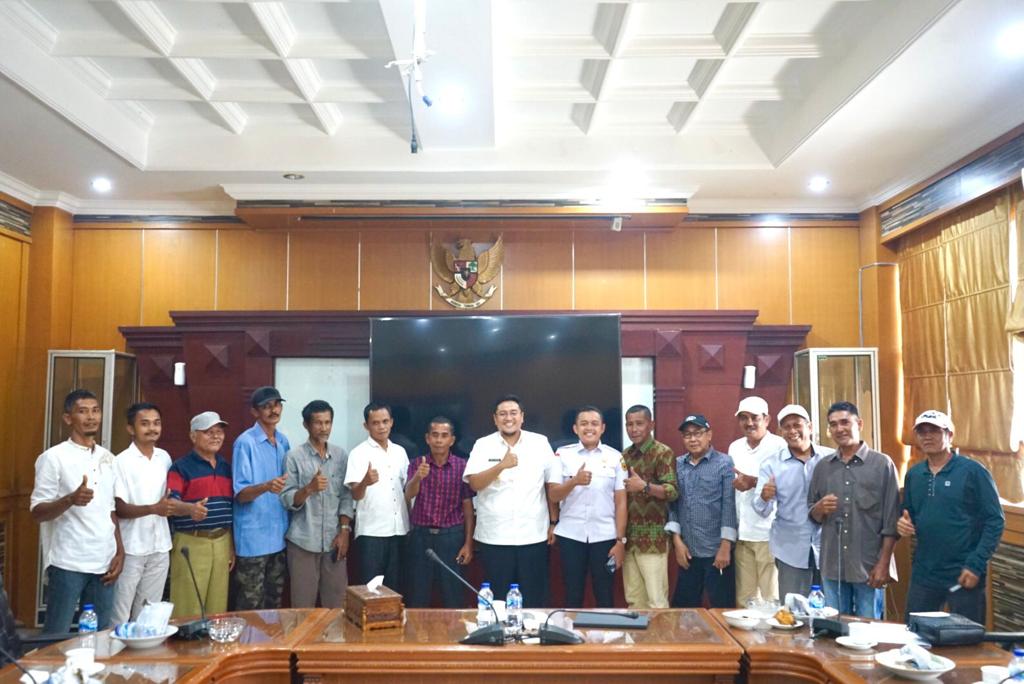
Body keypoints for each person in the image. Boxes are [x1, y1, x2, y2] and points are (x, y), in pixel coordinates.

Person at [31, 389, 125, 633]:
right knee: (56, 636)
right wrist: (70, 499)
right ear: (68, 418)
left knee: (99, 636)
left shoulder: (108, 458)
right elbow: (37, 512)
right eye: (83, 411)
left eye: (95, 411)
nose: (91, 417)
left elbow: (110, 509)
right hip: (68, 561)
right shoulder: (53, 458)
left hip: (104, 560)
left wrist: (120, 551)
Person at [898, 410, 1005, 624]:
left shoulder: (973, 472)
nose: (927, 436)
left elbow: (995, 521)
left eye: (935, 431)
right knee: (915, 633)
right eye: (922, 432)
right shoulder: (914, 475)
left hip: (964, 572)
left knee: (965, 637)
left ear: (950, 435)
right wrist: (902, 524)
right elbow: (909, 515)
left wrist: (976, 564)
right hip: (925, 573)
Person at [112, 403, 204, 624]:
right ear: (130, 428)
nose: (152, 428)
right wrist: (154, 509)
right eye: (144, 424)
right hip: (131, 547)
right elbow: (118, 507)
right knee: (120, 613)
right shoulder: (121, 461)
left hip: (160, 545)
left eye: (156, 423)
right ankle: (115, 647)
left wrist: (190, 509)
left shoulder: (164, 457)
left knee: (148, 613)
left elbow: (170, 500)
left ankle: (144, 648)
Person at [808, 401, 899, 619]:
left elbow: (892, 521)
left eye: (845, 422)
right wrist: (819, 509)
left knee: (868, 630)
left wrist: (884, 564)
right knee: (834, 627)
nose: (839, 429)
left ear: (859, 423)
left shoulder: (882, 465)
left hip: (869, 565)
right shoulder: (823, 467)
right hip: (833, 566)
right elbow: (813, 514)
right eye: (833, 425)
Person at [464, 395, 555, 608]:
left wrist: (554, 522)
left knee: (534, 597)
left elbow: (551, 485)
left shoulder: (540, 443)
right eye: (503, 414)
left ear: (522, 417)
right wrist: (500, 466)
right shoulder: (483, 445)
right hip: (495, 536)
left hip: (533, 535)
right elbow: (474, 483)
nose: (508, 418)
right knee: (498, 600)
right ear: (495, 419)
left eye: (513, 413)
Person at [547, 406, 627, 608]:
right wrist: (574, 481)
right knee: (572, 594)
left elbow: (621, 502)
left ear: (603, 428)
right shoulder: (562, 455)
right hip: (571, 535)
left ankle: (605, 630)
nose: (589, 428)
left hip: (605, 536)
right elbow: (553, 495)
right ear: (575, 428)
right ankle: (571, 629)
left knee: (605, 594)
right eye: (583, 424)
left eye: (594, 424)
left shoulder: (616, 457)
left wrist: (620, 541)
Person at [280, 400, 354, 609]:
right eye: (318, 423)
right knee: (303, 608)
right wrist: (309, 489)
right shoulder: (294, 457)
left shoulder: (340, 456)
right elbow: (286, 498)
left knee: (337, 606)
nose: (323, 428)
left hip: (334, 541)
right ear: (306, 425)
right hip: (303, 542)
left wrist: (344, 531)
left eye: (327, 422)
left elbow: (346, 496)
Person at [753, 404, 832, 601]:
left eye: (797, 425)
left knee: (830, 610)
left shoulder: (830, 459)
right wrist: (764, 497)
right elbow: (761, 509)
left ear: (810, 427)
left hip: (829, 547)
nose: (792, 431)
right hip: (790, 549)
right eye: (786, 427)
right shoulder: (771, 464)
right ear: (781, 432)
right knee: (794, 610)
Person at [666, 414, 737, 608]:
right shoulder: (677, 464)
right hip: (687, 551)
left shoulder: (724, 463)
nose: (693, 439)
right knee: (683, 610)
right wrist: (677, 541)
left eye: (698, 433)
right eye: (687, 435)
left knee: (721, 608)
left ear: (709, 435)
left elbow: (729, 505)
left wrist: (725, 546)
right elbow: (672, 504)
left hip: (716, 551)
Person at [404, 416, 475, 608]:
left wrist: (468, 543)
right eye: (435, 435)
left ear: (452, 440)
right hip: (421, 537)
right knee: (418, 594)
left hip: (451, 537)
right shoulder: (417, 463)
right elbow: (408, 494)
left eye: (444, 436)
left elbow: (468, 507)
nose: (439, 440)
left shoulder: (462, 466)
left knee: (454, 595)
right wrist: (417, 477)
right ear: (427, 438)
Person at [167, 411, 231, 619]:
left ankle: (212, 642)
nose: (216, 436)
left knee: (217, 608)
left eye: (219, 431)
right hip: (192, 542)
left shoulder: (225, 466)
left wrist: (231, 545)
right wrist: (190, 509)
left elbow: (230, 508)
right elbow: (170, 504)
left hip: (222, 541)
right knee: (188, 608)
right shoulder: (180, 467)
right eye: (208, 432)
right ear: (193, 436)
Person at [232, 386, 290, 610]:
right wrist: (266, 486)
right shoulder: (245, 442)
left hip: (279, 536)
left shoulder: (283, 441)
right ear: (254, 412)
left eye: (277, 405)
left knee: (273, 604)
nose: (273, 410)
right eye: (266, 406)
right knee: (251, 606)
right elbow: (241, 494)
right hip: (253, 540)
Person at [345, 402, 411, 590]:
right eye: (375, 423)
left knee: (396, 588)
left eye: (385, 421)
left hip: (399, 530)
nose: (381, 427)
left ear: (392, 422)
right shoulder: (358, 453)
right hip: (371, 533)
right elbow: (355, 495)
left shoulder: (400, 452)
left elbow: (406, 491)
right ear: (366, 425)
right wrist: (365, 482)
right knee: (371, 590)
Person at [729, 396, 787, 607]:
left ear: (767, 419)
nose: (749, 423)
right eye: (744, 418)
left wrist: (753, 482)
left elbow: (787, 485)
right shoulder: (735, 447)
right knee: (745, 600)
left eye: (755, 417)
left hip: (768, 534)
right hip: (743, 534)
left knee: (771, 599)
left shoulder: (779, 445)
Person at [620, 404, 678, 610]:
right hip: (630, 540)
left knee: (656, 602)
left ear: (651, 424)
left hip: (654, 540)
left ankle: (660, 634)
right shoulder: (625, 456)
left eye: (639, 423)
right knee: (634, 601)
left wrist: (645, 487)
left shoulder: (663, 453)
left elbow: (672, 491)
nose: (634, 429)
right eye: (629, 424)